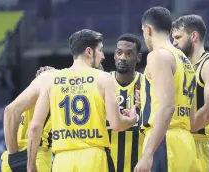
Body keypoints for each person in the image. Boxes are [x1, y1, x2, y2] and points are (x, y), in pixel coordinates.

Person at [26, 29, 137, 172]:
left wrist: (30, 166)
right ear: (89, 52)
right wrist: (132, 119)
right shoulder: (103, 78)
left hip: (61, 160)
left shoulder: (51, 80)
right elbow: (116, 124)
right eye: (101, 50)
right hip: (93, 157)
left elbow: (35, 127)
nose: (103, 56)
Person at [135, 6, 197, 172]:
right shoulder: (184, 60)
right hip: (185, 142)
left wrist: (148, 153)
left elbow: (167, 106)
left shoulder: (158, 55)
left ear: (148, 29)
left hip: (164, 142)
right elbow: (191, 115)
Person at [172, 14, 209, 172]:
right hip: (186, 141)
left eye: (178, 37)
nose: (174, 43)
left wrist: (181, 129)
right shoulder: (182, 67)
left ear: (194, 36)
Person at [2, 68, 55, 172]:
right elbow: (10, 111)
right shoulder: (52, 80)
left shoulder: (38, 85)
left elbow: (10, 112)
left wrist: (13, 156)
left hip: (11, 158)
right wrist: (15, 159)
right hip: (36, 157)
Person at [108, 33, 145, 172]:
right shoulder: (103, 82)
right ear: (114, 55)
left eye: (129, 53)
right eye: (119, 53)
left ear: (138, 57)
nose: (123, 57)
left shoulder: (147, 84)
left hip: (139, 164)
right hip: (106, 163)